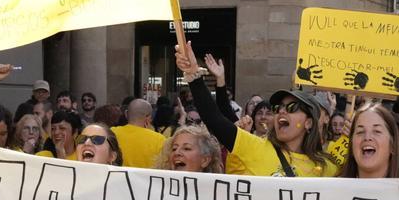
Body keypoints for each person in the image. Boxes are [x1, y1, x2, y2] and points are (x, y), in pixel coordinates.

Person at [176, 43, 337, 177]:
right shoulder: (255, 148)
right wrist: (194, 76)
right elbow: (215, 119)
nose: (282, 111)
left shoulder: (328, 168)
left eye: (292, 108)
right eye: (278, 107)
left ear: (309, 122)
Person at [112, 99, 167, 168]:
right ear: (148, 117)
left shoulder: (112, 133)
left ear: (126, 114)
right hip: (147, 178)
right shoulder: (160, 139)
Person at [155, 125, 223, 173]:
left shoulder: (217, 192)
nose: (177, 153)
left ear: (205, 161)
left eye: (186, 148)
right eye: (174, 149)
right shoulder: (156, 188)